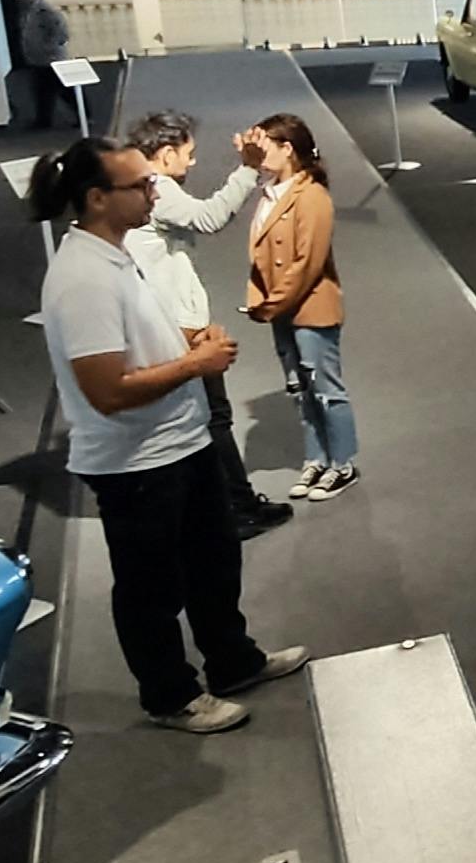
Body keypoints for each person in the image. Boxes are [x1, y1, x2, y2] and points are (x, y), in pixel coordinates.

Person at [29, 137, 305, 735]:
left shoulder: (117, 255)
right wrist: (195, 364)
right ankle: (170, 695)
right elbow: (107, 389)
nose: (155, 192)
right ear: (97, 198)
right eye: (141, 185)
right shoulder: (82, 279)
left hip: (180, 441)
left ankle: (232, 660)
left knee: (213, 560)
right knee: (151, 587)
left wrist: (187, 340)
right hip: (136, 460)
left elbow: (135, 342)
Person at [125, 110, 293, 541]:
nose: (193, 162)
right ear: (165, 154)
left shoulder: (131, 183)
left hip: (160, 321)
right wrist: (248, 169)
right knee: (213, 418)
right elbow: (209, 217)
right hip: (178, 328)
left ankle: (214, 508)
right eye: (188, 153)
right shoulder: (157, 187)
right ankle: (236, 509)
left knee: (196, 420)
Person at [247, 114, 363, 501]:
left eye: (265, 145)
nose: (258, 153)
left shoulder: (312, 195)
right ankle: (317, 458)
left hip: (310, 306)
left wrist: (272, 303)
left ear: (287, 149)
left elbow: (307, 262)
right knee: (300, 389)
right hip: (280, 308)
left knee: (326, 388)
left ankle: (342, 464)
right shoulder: (269, 192)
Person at [10, 0, 76, 129]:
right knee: (43, 91)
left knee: (65, 90)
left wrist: (48, 47)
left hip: (52, 58)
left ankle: (83, 116)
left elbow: (61, 33)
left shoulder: (46, 11)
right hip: (38, 59)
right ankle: (44, 120)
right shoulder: (27, 12)